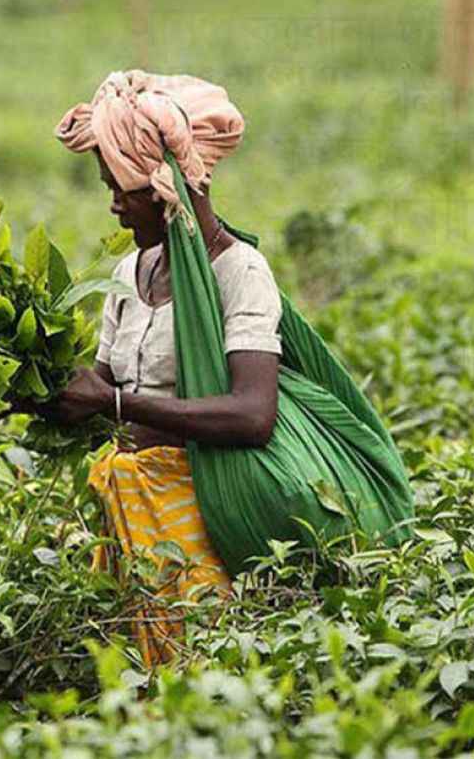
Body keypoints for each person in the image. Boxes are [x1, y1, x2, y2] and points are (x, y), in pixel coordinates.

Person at [44, 71, 412, 664]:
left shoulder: (237, 272)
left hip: (206, 510)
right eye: (107, 187)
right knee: (129, 672)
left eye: (123, 190)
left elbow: (252, 414)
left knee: (197, 664)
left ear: (166, 190)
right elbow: (102, 391)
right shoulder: (126, 275)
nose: (113, 205)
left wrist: (115, 405)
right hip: (131, 506)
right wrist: (40, 393)